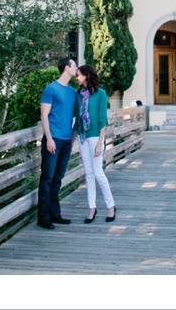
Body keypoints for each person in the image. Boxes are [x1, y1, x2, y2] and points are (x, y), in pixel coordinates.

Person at [37, 57, 78, 230]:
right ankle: (43, 217)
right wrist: (49, 138)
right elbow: (44, 115)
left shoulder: (72, 92)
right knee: (47, 178)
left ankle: (55, 213)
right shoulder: (51, 89)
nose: (76, 67)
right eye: (74, 65)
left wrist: (72, 138)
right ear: (66, 69)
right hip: (52, 141)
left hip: (66, 141)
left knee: (58, 179)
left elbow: (77, 115)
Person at [74, 64, 116, 223]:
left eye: (79, 75)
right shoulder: (79, 95)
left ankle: (111, 206)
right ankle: (92, 208)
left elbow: (102, 120)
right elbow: (77, 118)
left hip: (95, 137)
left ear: (87, 75)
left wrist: (100, 143)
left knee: (98, 172)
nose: (76, 78)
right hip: (82, 137)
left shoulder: (100, 94)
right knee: (88, 173)